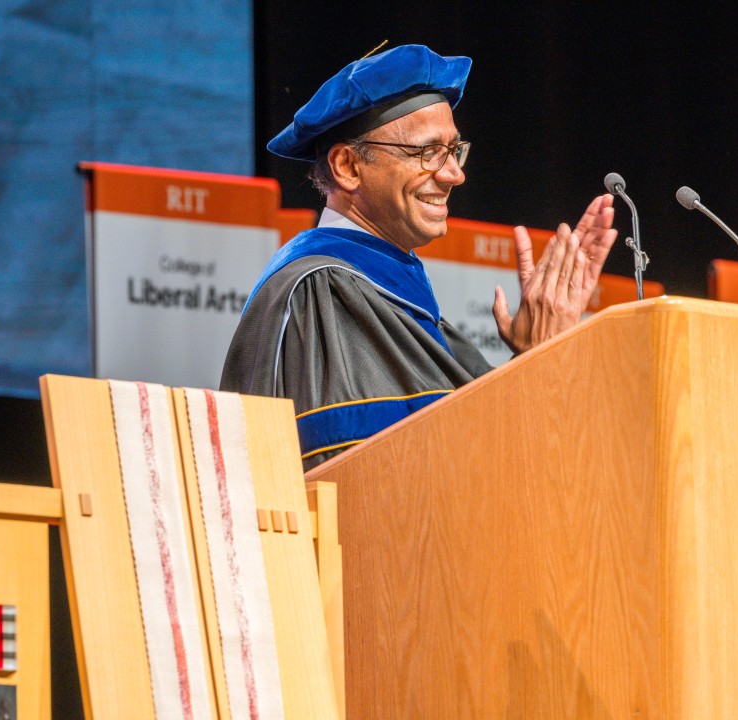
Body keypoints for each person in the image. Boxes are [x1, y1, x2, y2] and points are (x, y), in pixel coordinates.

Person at [221, 44, 617, 469]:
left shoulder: (383, 295)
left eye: (454, 150)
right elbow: (380, 481)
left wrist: (535, 357)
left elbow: (461, 445)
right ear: (347, 166)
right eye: (428, 153)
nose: (454, 174)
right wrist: (538, 371)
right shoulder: (323, 295)